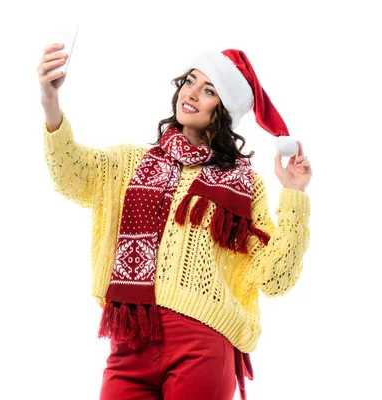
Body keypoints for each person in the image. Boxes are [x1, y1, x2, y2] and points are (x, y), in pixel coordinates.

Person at [37, 44, 312, 400]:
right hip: (131, 339)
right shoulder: (131, 163)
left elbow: (275, 279)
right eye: (190, 81)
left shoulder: (244, 185)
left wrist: (294, 195)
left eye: (209, 90)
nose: (192, 93)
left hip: (203, 342)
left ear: (224, 110)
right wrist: (49, 102)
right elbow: (70, 174)